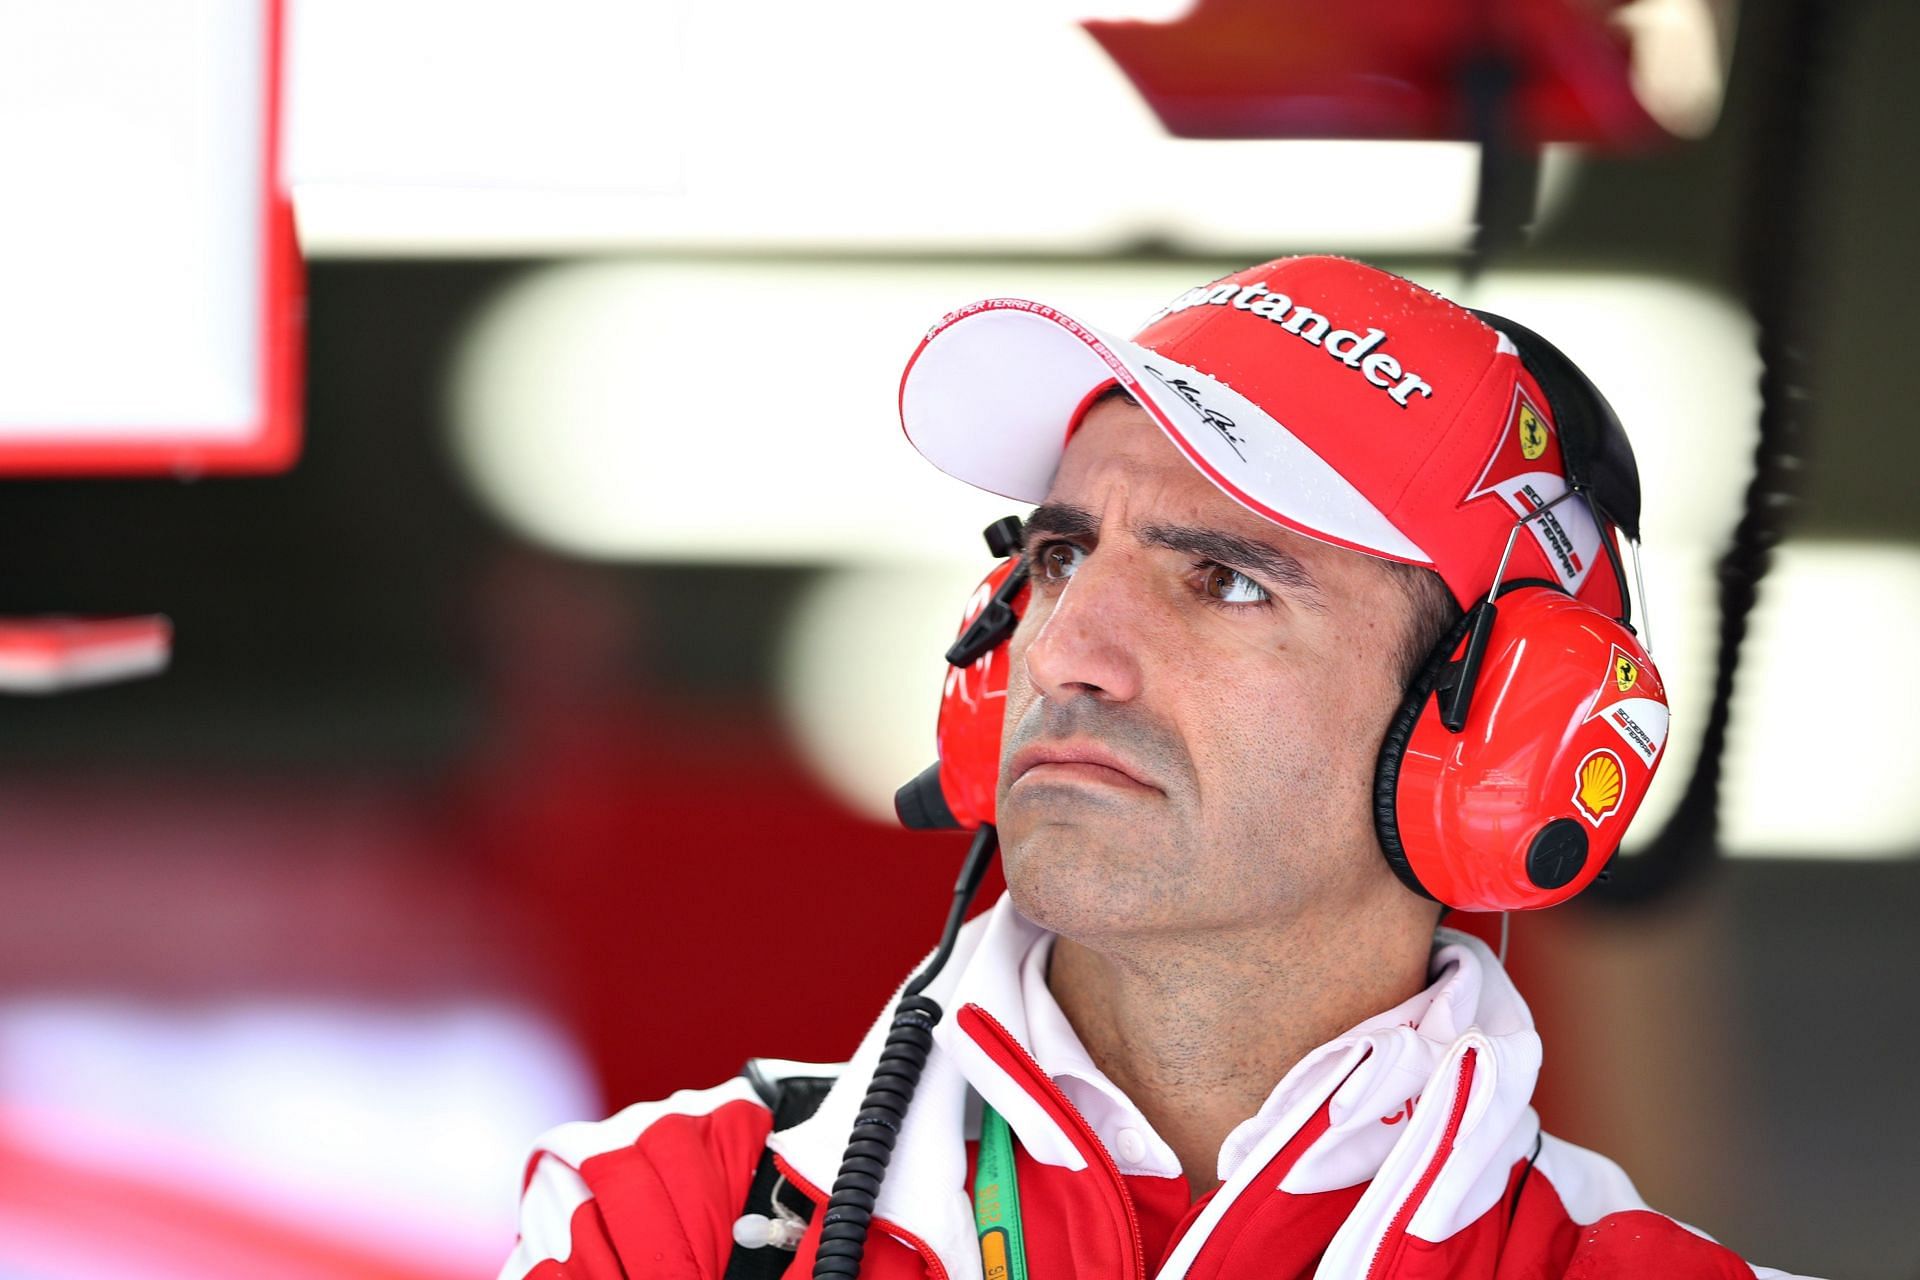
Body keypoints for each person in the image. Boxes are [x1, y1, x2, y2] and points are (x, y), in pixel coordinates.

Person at [497, 256, 1818, 1279]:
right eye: (1062, 558)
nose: (1071, 649)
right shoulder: (666, 1220)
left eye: (1227, 583)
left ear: (1501, 740)